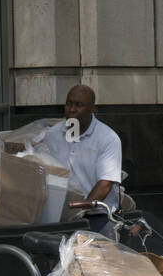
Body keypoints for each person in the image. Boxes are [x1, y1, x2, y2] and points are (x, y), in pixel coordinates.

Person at [39, 84, 123, 238]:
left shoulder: (107, 138)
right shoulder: (52, 135)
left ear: (92, 108)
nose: (72, 109)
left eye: (79, 105)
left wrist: (81, 211)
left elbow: (105, 184)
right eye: (69, 103)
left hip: (97, 217)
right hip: (58, 217)